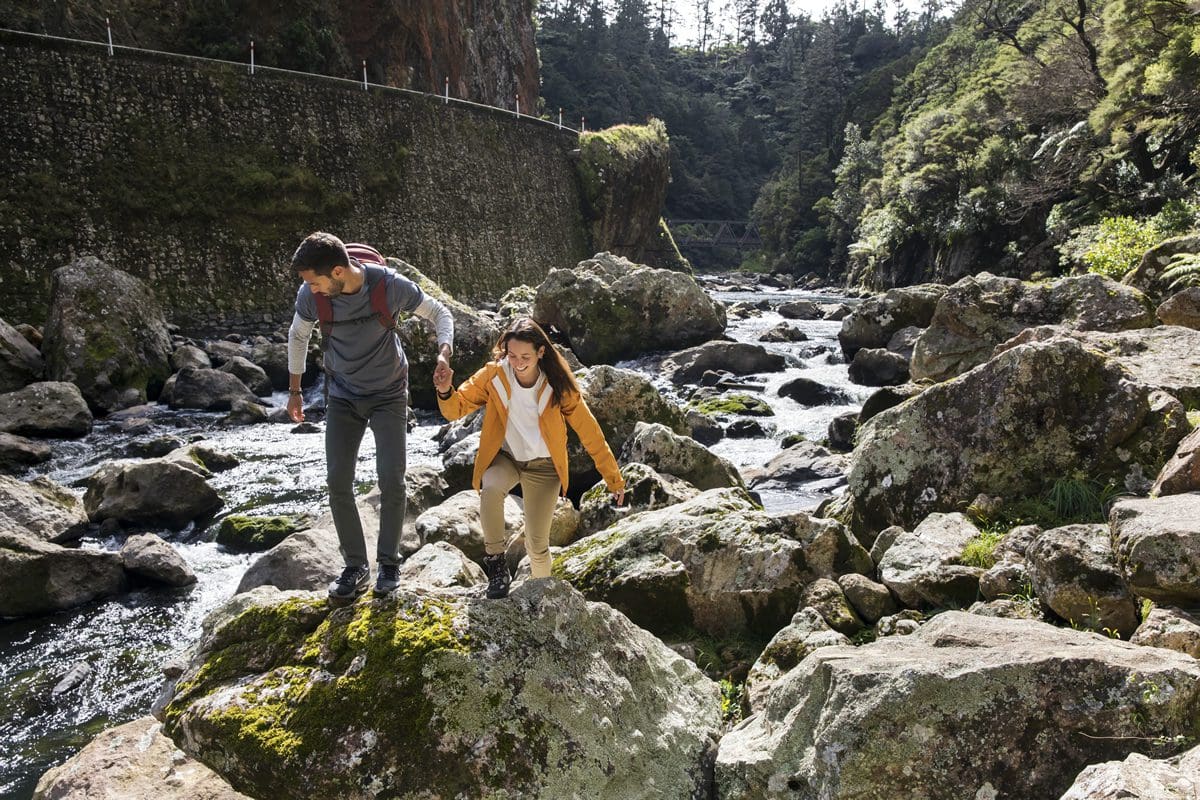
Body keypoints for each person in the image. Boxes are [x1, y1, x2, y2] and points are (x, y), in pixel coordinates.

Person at [286, 232, 454, 604]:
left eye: (315, 281)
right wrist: (296, 391)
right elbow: (298, 336)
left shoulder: (389, 287)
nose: (310, 289)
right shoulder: (312, 296)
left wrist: (444, 355)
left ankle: (389, 565)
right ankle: (355, 566)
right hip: (343, 395)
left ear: (338, 271)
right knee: (338, 481)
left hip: (389, 394)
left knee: (391, 480)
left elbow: (440, 314)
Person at [434, 317, 625, 598]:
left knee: (537, 546)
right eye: (512, 355)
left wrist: (613, 477)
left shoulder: (559, 386)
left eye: (525, 356)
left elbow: (590, 433)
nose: (518, 362)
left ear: (540, 352)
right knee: (491, 486)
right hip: (508, 458)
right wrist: (444, 390)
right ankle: (497, 564)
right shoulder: (494, 375)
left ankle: (542, 594)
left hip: (545, 467)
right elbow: (456, 408)